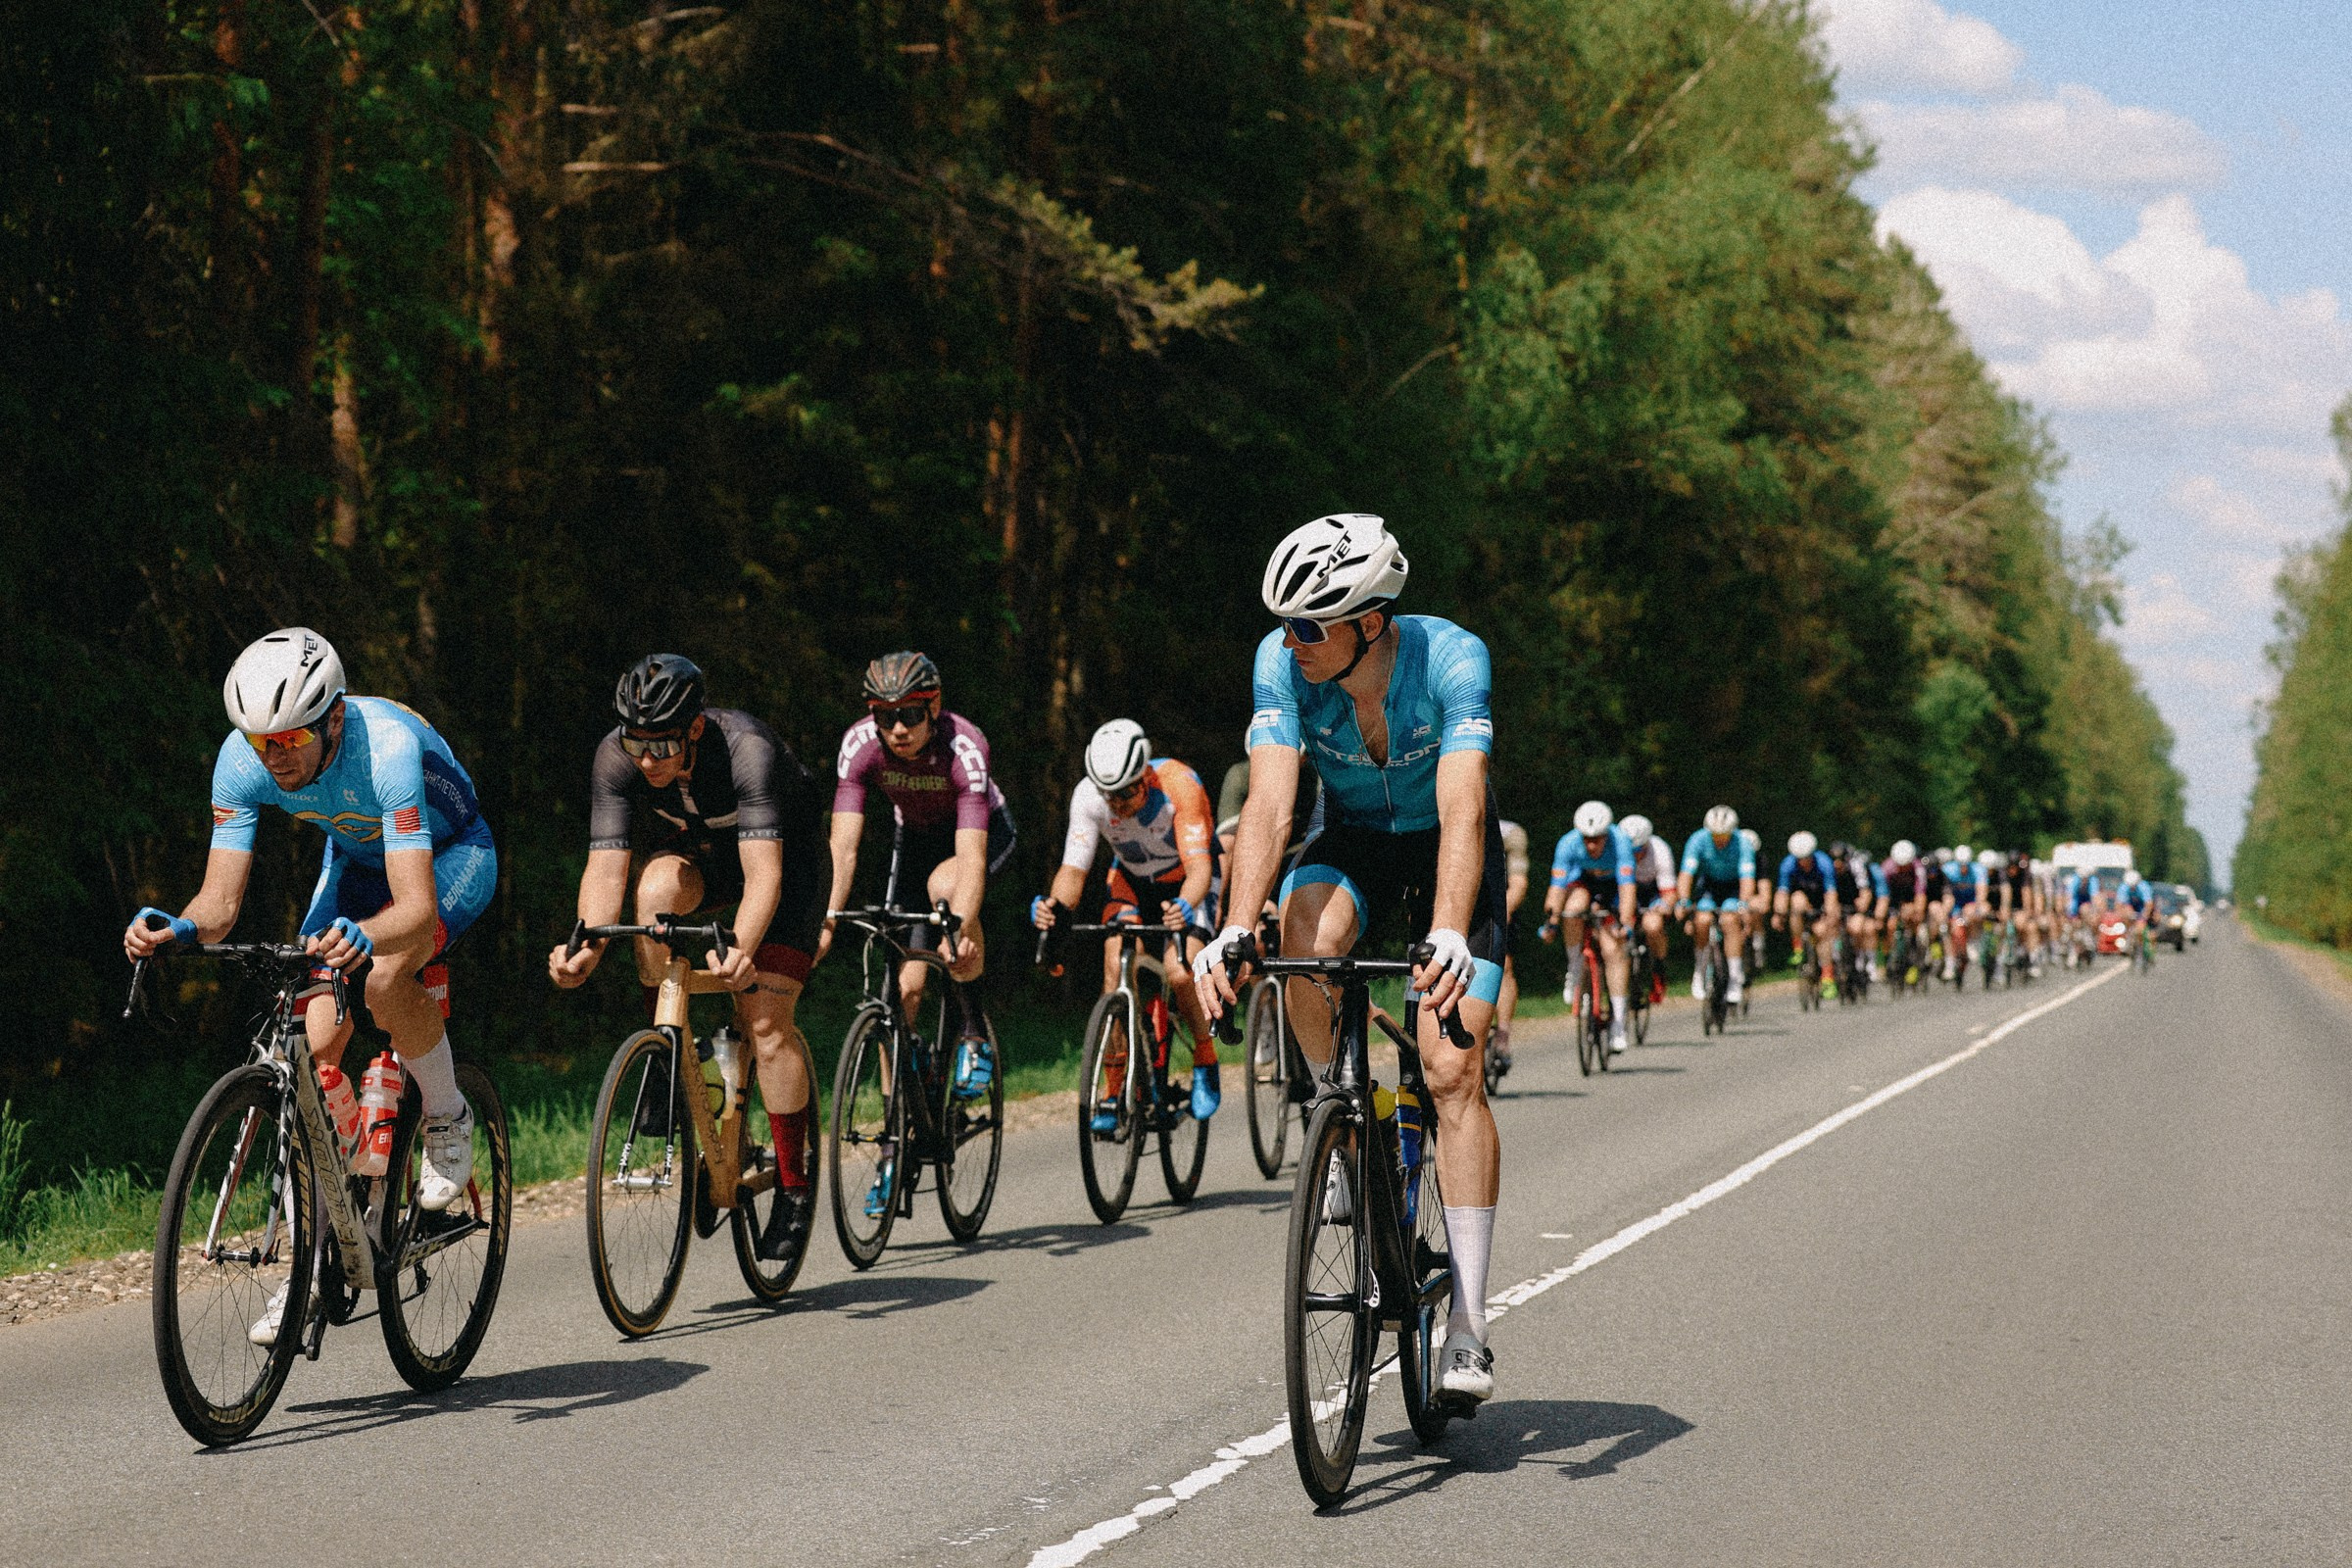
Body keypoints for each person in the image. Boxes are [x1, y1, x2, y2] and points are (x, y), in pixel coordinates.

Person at [1196, 514, 1507, 1406]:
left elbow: (1462, 807)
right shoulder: (1280, 664)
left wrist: (1449, 931)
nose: (1290, 641)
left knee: (1450, 1073)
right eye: (1285, 624)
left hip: (1448, 847)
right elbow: (1271, 799)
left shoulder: (1452, 661)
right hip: (1357, 838)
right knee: (1303, 936)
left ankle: (1470, 1326)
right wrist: (1234, 924)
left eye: (1310, 626)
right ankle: (1343, 1114)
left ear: (1370, 622)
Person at [123, 628, 497, 1347]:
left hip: (452, 857)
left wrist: (369, 936)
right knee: (313, 1045)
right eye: (261, 742)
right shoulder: (241, 759)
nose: (275, 757)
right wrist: (179, 929)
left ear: (334, 720)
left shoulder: (387, 749)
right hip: (356, 863)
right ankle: (315, 1261)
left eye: (291, 738)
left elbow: (415, 908)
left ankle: (448, 1117)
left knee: (383, 978)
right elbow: (220, 904)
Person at [545, 655, 829, 1261]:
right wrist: (586, 944)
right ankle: (670, 1052)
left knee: (765, 1020)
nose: (648, 760)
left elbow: (765, 879)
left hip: (788, 868)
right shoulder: (616, 756)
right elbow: (606, 869)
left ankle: (794, 1185)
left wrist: (739, 952)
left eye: (664, 745)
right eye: (637, 743)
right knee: (653, 889)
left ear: (696, 728)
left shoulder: (748, 751)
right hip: (708, 859)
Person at [824, 651, 1017, 1098]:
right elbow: (843, 847)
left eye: (910, 715)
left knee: (947, 894)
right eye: (885, 716)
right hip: (914, 840)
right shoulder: (859, 746)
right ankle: (898, 1115)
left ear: (933, 707)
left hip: (978, 835)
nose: (898, 729)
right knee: (903, 992)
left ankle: (973, 1033)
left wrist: (959, 929)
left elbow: (971, 858)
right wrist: (827, 918)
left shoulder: (964, 746)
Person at [1033, 719, 1223, 1125]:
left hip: (1188, 881)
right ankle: (1114, 1088)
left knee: (1180, 970)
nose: (1116, 803)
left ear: (1146, 775)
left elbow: (1200, 871)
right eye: (1109, 795)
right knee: (1115, 965)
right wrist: (1054, 908)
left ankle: (1205, 1057)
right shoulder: (1088, 796)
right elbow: (1073, 872)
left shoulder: (1179, 786)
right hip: (1132, 880)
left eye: (1125, 792)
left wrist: (1185, 905)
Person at [1540, 801, 1639, 1054]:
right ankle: (1574, 967)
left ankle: (1618, 1023)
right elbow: (1557, 888)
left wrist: (1626, 923)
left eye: (1597, 839)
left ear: (1607, 834)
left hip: (1612, 890)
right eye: (1587, 839)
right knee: (1572, 910)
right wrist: (1551, 922)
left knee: (1613, 949)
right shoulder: (1568, 843)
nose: (1592, 845)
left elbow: (1627, 889)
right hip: (1583, 883)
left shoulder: (1621, 842)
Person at [1679, 806, 1756, 1004]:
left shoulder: (1743, 843)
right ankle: (1700, 969)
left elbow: (1747, 880)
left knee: (1730, 921)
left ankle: (1734, 978)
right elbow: (1686, 874)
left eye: (1724, 835)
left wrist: (1743, 905)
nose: (1720, 839)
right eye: (1715, 835)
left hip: (1733, 887)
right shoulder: (1697, 840)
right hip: (1708, 886)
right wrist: (1684, 901)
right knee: (1702, 920)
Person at [1620, 813, 1676, 1001]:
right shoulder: (1615, 849)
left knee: (1653, 926)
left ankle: (1658, 968)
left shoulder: (1660, 850)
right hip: (1624, 891)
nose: (1635, 855)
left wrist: (1665, 906)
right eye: (1630, 851)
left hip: (1652, 892)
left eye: (1639, 850)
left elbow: (1669, 892)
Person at [1492, 819, 1530, 1076]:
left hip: (1499, 902)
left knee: (1504, 966)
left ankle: (1503, 1035)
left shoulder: (1511, 833)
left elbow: (1518, 883)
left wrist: (1502, 911)